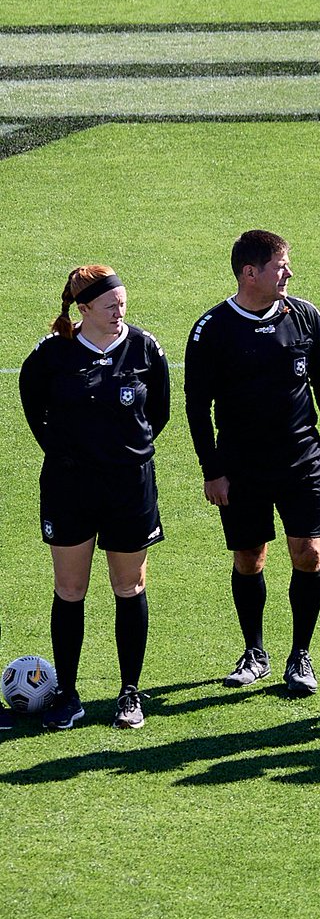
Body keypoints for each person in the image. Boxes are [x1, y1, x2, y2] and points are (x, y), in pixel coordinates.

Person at [184, 229, 320, 697]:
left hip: (302, 461)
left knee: (309, 553)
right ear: (249, 273)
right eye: (281, 265)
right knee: (249, 557)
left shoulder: (305, 316)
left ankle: (301, 655)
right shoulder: (212, 329)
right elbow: (197, 406)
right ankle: (255, 651)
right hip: (241, 467)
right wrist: (211, 470)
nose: (289, 273)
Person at [18, 266, 171, 730]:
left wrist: (125, 454)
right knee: (70, 590)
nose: (120, 312)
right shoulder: (51, 355)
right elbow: (32, 407)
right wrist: (69, 455)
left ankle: (129, 693)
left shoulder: (144, 347)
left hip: (130, 487)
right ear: (83, 309)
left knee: (129, 587)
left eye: (123, 302)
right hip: (70, 488)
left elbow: (158, 411)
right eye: (110, 306)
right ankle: (67, 693)